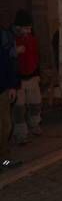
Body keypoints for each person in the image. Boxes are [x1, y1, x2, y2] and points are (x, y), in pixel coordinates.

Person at [12, 10, 42, 143]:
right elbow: (11, 61)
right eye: (26, 28)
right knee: (19, 107)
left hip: (32, 76)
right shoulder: (12, 39)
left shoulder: (32, 39)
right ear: (18, 27)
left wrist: (37, 73)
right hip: (18, 79)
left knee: (36, 102)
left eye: (30, 28)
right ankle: (20, 133)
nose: (28, 30)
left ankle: (34, 124)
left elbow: (35, 57)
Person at [0, 18, 21, 169]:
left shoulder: (3, 35)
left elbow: (7, 61)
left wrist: (12, 85)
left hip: (2, 87)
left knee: (6, 125)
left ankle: (4, 160)